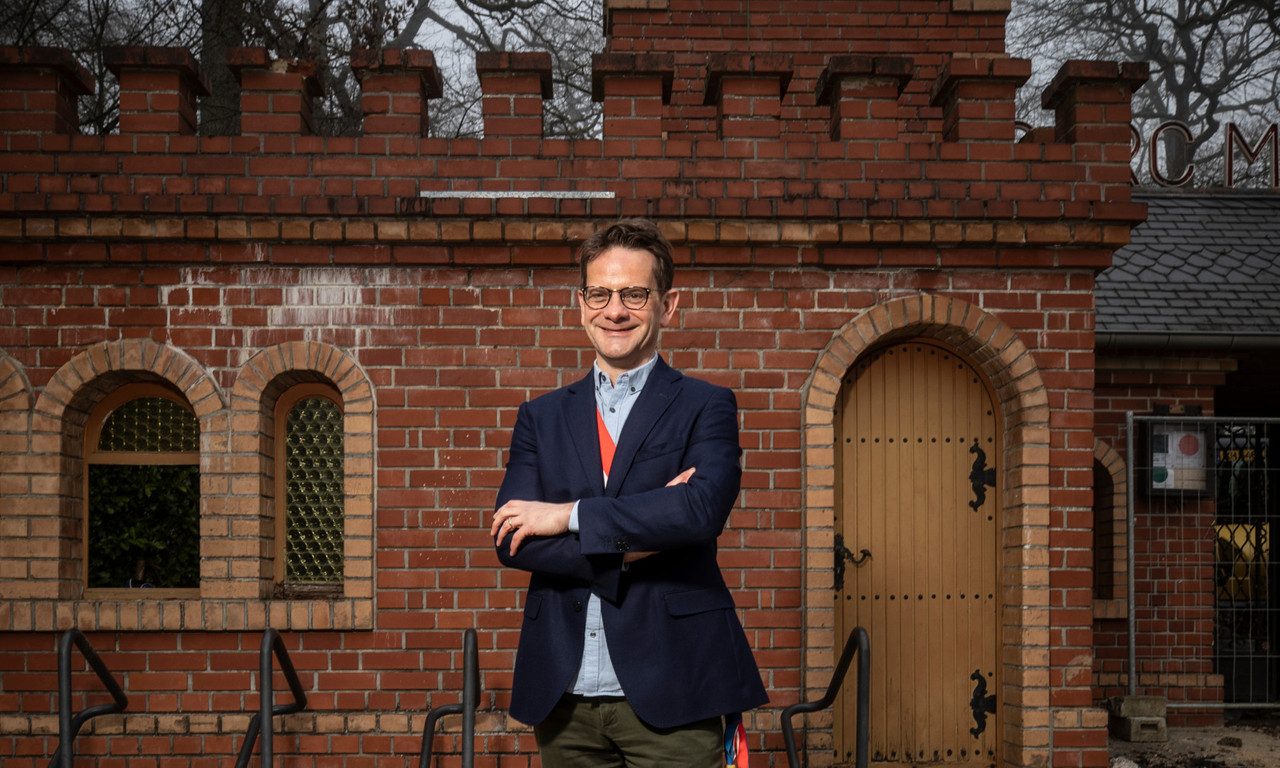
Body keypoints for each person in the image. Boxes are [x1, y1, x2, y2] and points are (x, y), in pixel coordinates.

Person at [491, 218, 768, 767]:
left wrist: (567, 515)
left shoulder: (707, 405)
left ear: (667, 306)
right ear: (581, 303)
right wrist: (648, 527)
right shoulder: (540, 417)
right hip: (564, 693)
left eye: (634, 294)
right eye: (600, 293)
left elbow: (698, 512)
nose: (614, 310)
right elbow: (513, 538)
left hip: (676, 684)